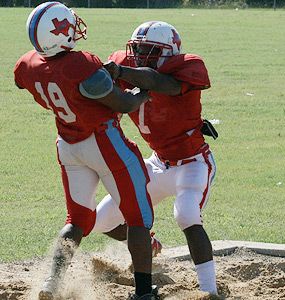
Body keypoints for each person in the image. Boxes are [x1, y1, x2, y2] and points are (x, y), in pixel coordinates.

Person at [14, 3, 159, 300]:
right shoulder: (81, 64)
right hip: (103, 142)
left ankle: (50, 285)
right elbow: (124, 104)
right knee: (138, 216)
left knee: (77, 220)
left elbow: (29, 79)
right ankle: (144, 293)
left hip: (68, 146)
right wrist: (146, 88)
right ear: (59, 34)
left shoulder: (27, 64)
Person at [93, 21, 219, 296]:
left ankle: (210, 290)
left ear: (169, 53)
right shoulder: (125, 61)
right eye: (137, 48)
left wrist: (122, 72)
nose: (140, 54)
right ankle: (147, 244)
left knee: (186, 214)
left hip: (193, 164)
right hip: (157, 162)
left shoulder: (186, 68)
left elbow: (159, 82)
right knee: (100, 220)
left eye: (149, 50)